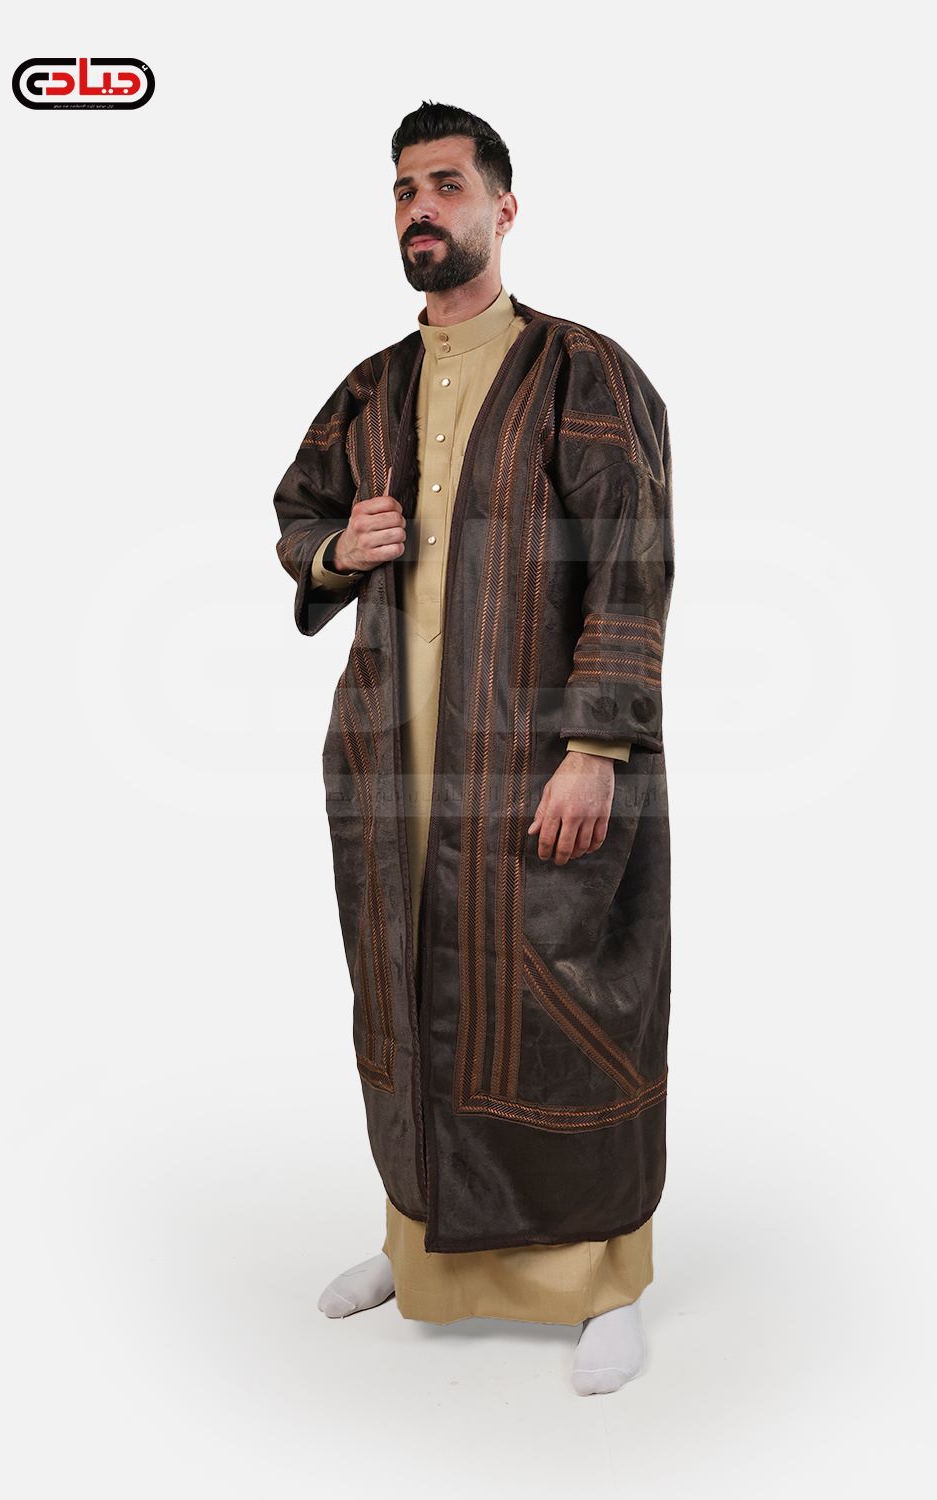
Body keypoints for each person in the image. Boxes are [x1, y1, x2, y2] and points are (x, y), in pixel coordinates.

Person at [272, 101, 674, 1396]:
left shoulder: (581, 371)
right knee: (406, 995)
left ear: (504, 207)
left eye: (446, 185)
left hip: (540, 763)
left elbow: (631, 567)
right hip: (391, 765)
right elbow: (296, 513)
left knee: (563, 1008)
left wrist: (596, 748)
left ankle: (601, 1283)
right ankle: (419, 1243)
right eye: (404, 191)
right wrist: (339, 550)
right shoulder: (371, 387)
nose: (421, 209)